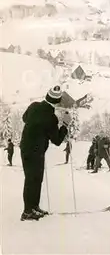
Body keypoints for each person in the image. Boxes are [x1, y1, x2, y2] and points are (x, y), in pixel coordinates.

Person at [19, 86, 71, 221]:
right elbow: (57, 140)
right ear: (57, 101)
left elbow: (24, 118)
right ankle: (28, 211)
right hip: (36, 152)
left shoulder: (33, 106)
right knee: (33, 180)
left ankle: (33, 207)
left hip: (26, 148)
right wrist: (65, 124)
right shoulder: (51, 118)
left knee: (34, 179)